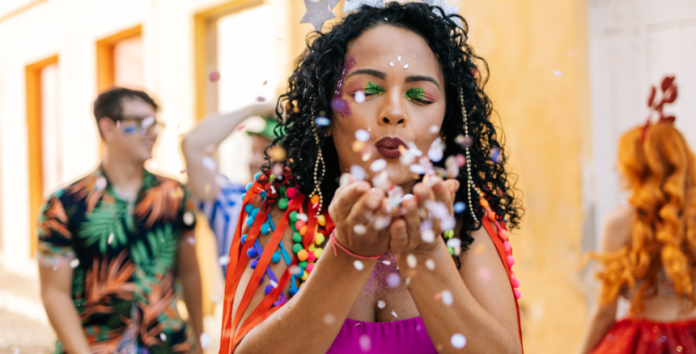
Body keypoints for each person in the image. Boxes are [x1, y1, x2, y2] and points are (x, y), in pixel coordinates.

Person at [218, 2, 524, 353]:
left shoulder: (466, 217)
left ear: (444, 127)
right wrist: (348, 254)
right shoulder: (282, 207)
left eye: (420, 97)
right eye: (366, 92)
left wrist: (424, 255)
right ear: (325, 115)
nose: (394, 112)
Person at [37, 87, 204, 354]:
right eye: (141, 123)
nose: (154, 132)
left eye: (156, 123)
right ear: (108, 128)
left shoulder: (174, 194)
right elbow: (54, 293)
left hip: (170, 345)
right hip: (96, 346)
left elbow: (189, 271)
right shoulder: (64, 204)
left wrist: (200, 341)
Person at [577, 77, 696, 353]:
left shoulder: (618, 223)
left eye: (622, 160)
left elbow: (604, 313)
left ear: (641, 166)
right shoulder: (690, 218)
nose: (615, 167)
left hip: (642, 343)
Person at [183, 105, 278, 273]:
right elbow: (192, 144)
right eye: (252, 151)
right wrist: (255, 109)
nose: (253, 161)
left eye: (267, 154)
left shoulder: (309, 209)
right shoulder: (229, 200)